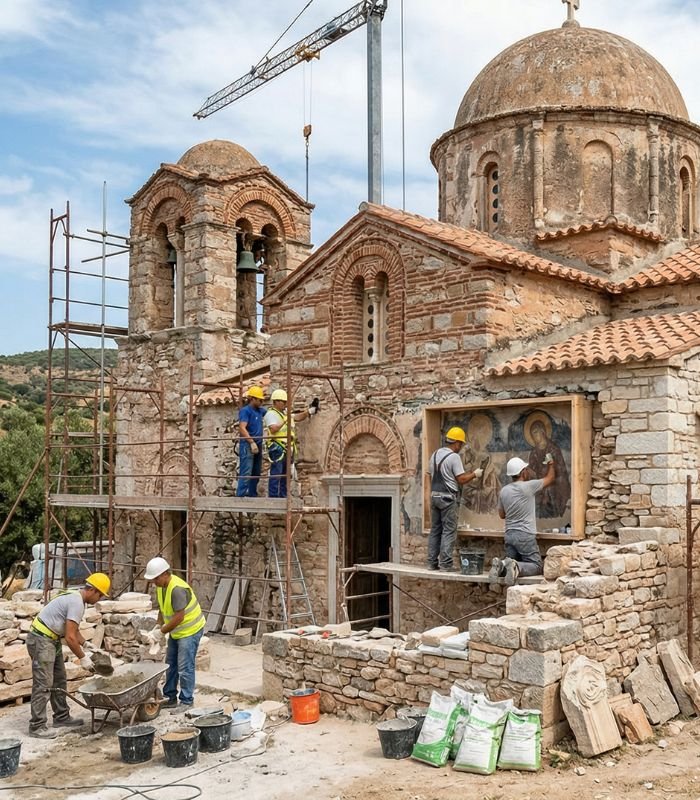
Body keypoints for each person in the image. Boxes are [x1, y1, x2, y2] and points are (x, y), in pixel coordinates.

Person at [26, 572, 111, 738]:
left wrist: (86, 644)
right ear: (92, 590)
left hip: (50, 639)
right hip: (41, 640)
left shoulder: (76, 597)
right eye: (100, 595)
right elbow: (70, 637)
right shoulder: (77, 603)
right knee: (44, 683)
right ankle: (37, 726)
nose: (99, 599)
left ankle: (61, 717)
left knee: (59, 679)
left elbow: (73, 630)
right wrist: (83, 658)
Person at [144, 557, 205, 713]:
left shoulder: (177, 588)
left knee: (185, 667)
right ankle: (170, 697)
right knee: (170, 665)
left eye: (155, 578)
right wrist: (158, 625)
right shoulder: (161, 586)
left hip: (190, 631)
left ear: (165, 574)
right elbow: (163, 609)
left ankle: (186, 700)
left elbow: (179, 617)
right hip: (178, 631)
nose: (154, 582)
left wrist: (161, 632)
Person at [490, 453, 556, 586]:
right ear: (523, 472)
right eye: (525, 469)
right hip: (525, 535)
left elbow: (502, 515)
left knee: (509, 566)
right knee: (536, 565)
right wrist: (551, 464)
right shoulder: (529, 487)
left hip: (509, 535)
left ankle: (502, 564)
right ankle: (516, 566)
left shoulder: (504, 491)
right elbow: (550, 478)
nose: (527, 471)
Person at [427, 427, 483, 571]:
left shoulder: (434, 455)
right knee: (449, 530)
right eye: (461, 444)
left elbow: (430, 476)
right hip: (447, 498)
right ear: (457, 442)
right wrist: (475, 474)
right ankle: (446, 564)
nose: (461, 447)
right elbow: (461, 478)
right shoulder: (454, 457)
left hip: (434, 496)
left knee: (435, 530)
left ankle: (432, 563)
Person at [264, 389, 319, 498]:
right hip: (277, 448)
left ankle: (283, 496)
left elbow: (297, 417)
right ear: (276, 402)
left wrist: (309, 412)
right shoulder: (271, 414)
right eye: (283, 402)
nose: (285, 404)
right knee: (276, 474)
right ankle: (274, 498)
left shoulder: (283, 414)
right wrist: (285, 419)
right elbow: (273, 429)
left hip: (287, 448)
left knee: (285, 475)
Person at [525, 418, 570, 518]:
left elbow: (561, 469)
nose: (535, 436)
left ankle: (551, 518)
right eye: (533, 434)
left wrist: (550, 467)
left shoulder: (553, 449)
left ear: (543, 432)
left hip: (554, 482)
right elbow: (532, 468)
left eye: (536, 433)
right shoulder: (534, 452)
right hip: (539, 482)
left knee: (548, 492)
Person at [237, 385, 266, 497]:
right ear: (252, 399)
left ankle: (252, 495)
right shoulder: (246, 411)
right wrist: (251, 442)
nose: (261, 402)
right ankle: (240, 497)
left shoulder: (260, 411)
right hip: (248, 445)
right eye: (259, 400)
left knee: (256, 472)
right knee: (246, 472)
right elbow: (242, 428)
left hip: (257, 444)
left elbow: (272, 414)